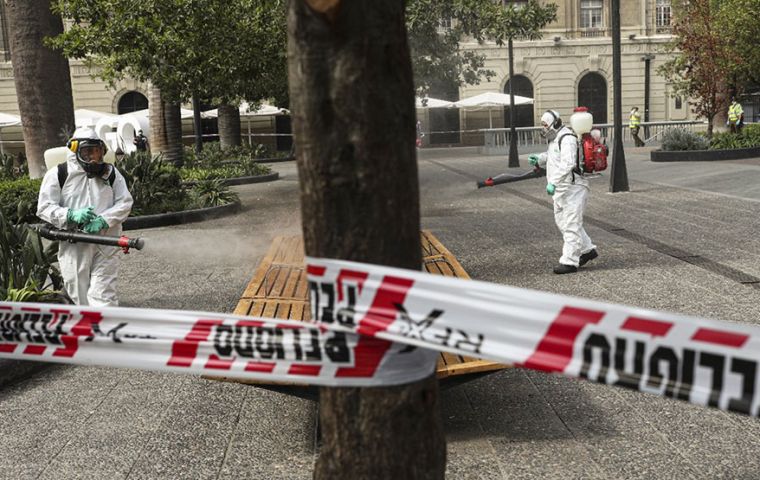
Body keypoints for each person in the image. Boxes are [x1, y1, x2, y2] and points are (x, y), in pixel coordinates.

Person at [37, 127, 134, 306]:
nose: (93, 158)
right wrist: (71, 215)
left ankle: (104, 330)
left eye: (97, 152)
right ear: (75, 151)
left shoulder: (110, 173)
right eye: (87, 152)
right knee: (79, 295)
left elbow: (125, 202)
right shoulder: (59, 174)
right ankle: (87, 329)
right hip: (75, 244)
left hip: (106, 242)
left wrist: (104, 220)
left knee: (104, 296)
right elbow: (44, 207)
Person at [528, 110, 597, 274]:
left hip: (574, 188)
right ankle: (587, 250)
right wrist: (539, 158)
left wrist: (552, 182)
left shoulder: (568, 139)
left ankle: (570, 261)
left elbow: (568, 163)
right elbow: (553, 156)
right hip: (562, 189)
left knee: (572, 223)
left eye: (545, 124)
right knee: (562, 222)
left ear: (555, 123)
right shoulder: (555, 139)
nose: (543, 128)